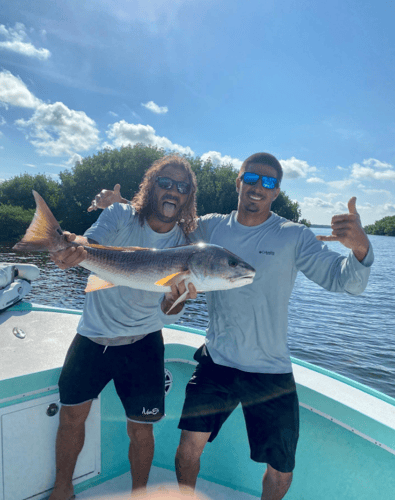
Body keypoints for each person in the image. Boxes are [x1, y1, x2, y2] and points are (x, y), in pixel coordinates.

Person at [89, 152, 373, 500]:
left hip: (270, 369)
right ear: (238, 181)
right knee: (187, 450)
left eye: (269, 182)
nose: (258, 187)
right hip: (217, 361)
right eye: (251, 178)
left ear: (277, 192)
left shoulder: (293, 235)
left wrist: (359, 247)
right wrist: (121, 205)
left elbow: (346, 282)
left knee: (281, 471)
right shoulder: (208, 227)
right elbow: (162, 219)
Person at [47, 155, 198, 500]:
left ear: (188, 196)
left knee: (141, 431)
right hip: (92, 335)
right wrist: (71, 250)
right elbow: (92, 245)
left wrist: (179, 298)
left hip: (143, 342)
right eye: (165, 182)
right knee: (71, 418)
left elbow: (166, 315)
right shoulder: (119, 214)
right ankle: (62, 491)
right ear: (151, 186)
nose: (173, 191)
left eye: (182, 186)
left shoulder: (185, 246)